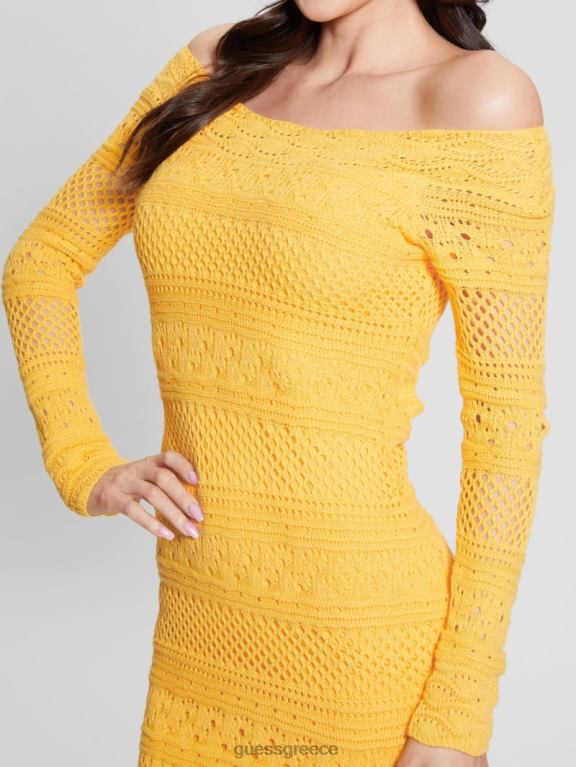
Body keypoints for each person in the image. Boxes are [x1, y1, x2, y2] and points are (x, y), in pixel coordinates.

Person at [2, 1, 555, 766]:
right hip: (199, 627)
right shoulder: (218, 63)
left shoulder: (477, 99)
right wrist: (80, 459)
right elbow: (42, 260)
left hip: (360, 639)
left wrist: (458, 715)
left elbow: (505, 431)